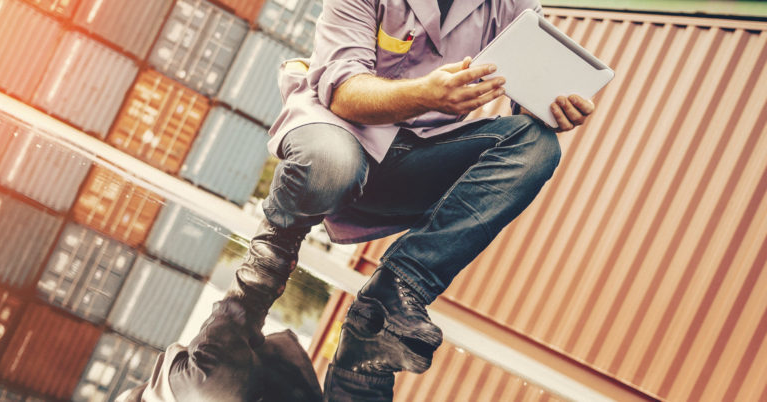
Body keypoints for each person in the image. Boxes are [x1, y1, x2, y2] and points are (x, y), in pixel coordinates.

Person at [120, 0, 595, 400]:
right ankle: (259, 280)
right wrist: (425, 95)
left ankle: (389, 305)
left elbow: (523, 99)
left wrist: (546, 108)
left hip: (415, 158)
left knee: (536, 146)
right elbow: (345, 94)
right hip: (336, 131)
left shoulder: (511, 6)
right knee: (331, 160)